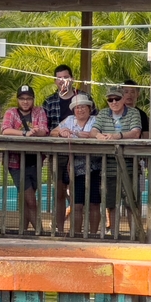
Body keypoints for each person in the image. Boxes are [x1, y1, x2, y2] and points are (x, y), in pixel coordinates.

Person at [43, 65, 94, 220]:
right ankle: (58, 229)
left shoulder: (85, 97)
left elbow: (96, 124)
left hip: (83, 154)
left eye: (66, 77)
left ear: (72, 78)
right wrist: (60, 132)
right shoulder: (49, 101)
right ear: (55, 80)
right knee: (59, 191)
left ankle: (77, 229)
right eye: (59, 78)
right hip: (58, 152)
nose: (63, 80)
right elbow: (47, 128)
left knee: (78, 193)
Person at [92, 85, 143, 235]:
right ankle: (114, 234)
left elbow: (136, 132)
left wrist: (116, 136)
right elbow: (94, 130)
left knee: (131, 203)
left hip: (129, 166)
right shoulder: (102, 113)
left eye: (117, 99)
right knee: (111, 203)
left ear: (123, 99)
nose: (113, 102)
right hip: (108, 166)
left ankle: (135, 234)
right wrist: (99, 136)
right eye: (110, 99)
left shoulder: (134, 113)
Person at [1, 84, 49, 232]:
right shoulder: (11, 112)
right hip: (15, 162)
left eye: (28, 98)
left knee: (27, 200)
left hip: (35, 161)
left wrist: (36, 132)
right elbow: (5, 130)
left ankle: (23, 231)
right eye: (22, 99)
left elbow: (44, 130)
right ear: (18, 100)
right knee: (30, 200)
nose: (25, 102)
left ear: (33, 100)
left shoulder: (39, 111)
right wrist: (24, 133)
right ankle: (40, 233)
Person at [50, 94, 99, 235]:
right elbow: (53, 132)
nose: (80, 110)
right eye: (77, 107)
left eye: (83, 107)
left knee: (94, 204)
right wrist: (61, 132)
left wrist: (91, 135)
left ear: (89, 108)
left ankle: (94, 235)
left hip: (95, 167)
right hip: (75, 169)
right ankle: (76, 235)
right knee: (76, 204)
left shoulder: (96, 120)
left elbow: (102, 134)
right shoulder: (69, 120)